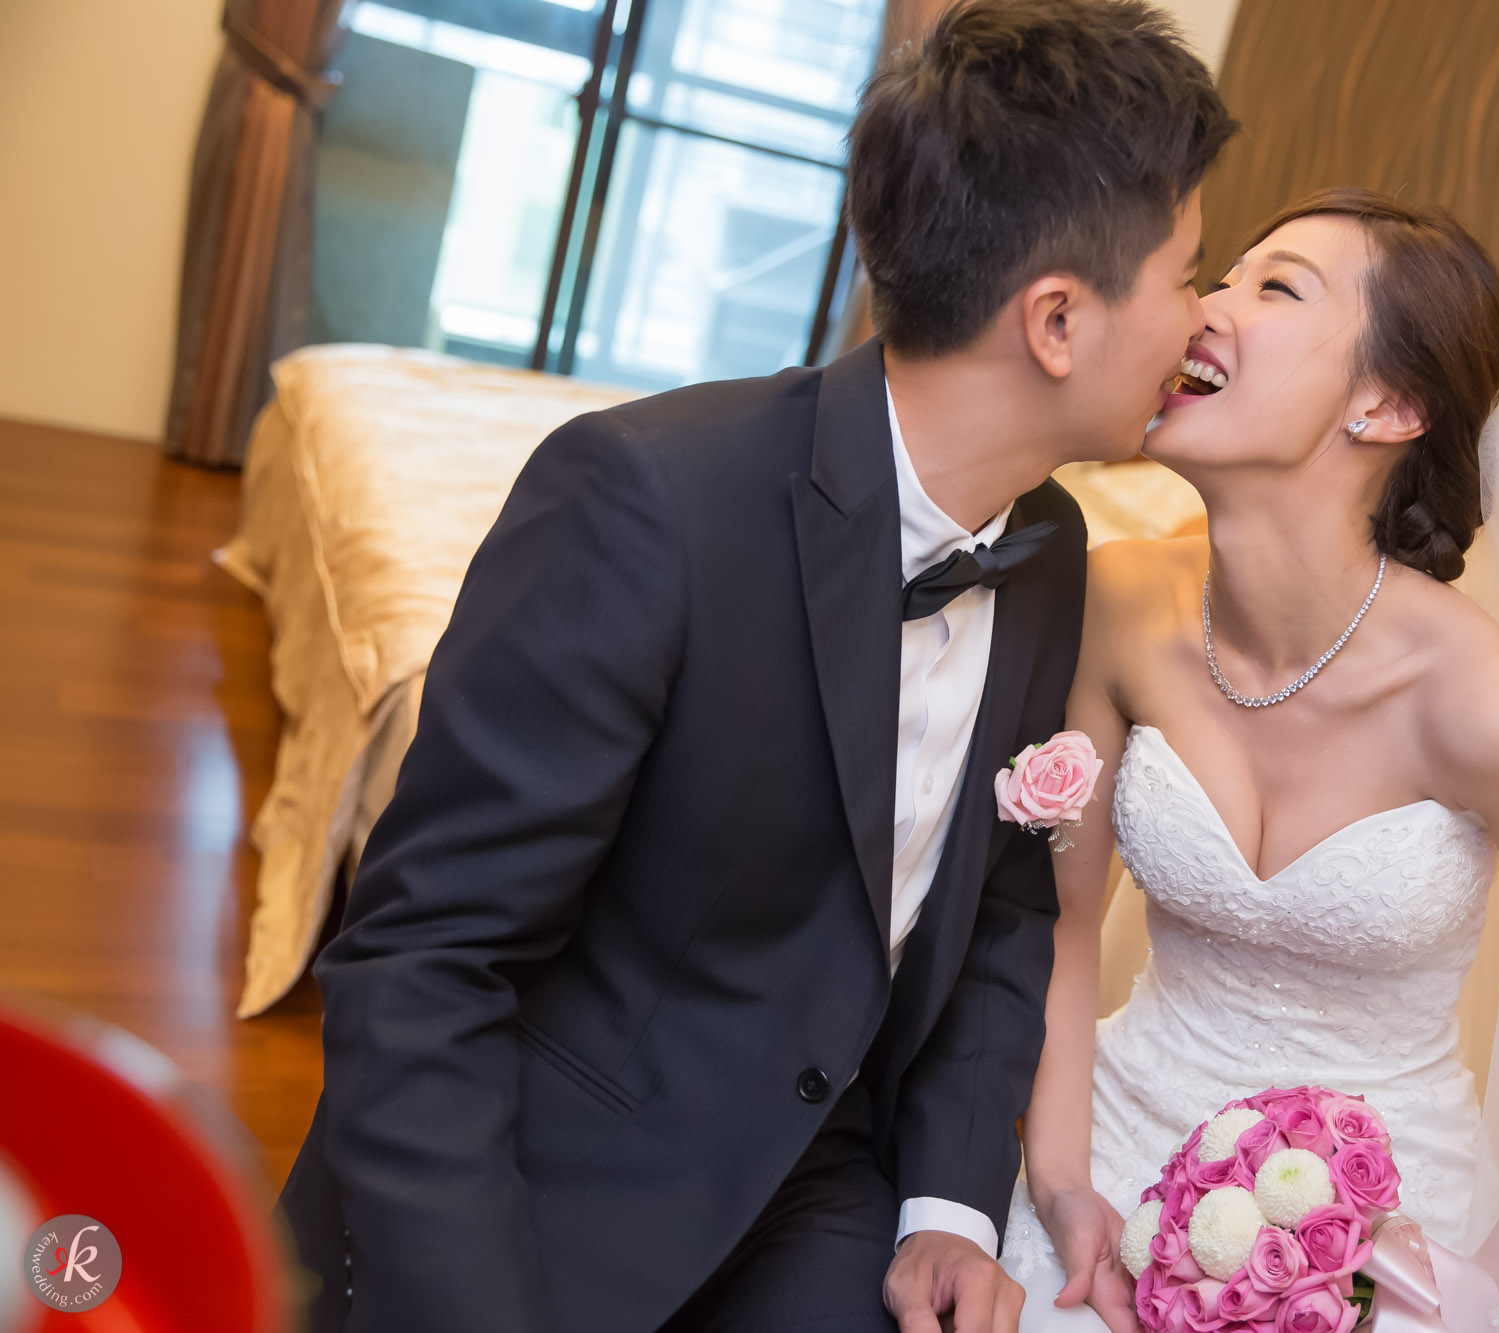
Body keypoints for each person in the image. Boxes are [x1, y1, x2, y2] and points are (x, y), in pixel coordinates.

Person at [274, 5, 1236, 1331]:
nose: (1205, 317)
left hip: (818, 1181)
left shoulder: (1050, 545)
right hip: (545, 1180)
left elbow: (1003, 906)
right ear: (1056, 320)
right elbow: (424, 963)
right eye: (1190, 273)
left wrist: (950, 1204)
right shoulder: (643, 504)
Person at [1002, 189, 1499, 1332]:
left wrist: (1497, 1281)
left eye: (1274, 287)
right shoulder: (1121, 604)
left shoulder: (1483, 706)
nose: (1205, 308)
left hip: (1379, 1231)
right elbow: (1062, 923)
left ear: (1386, 406)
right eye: (1221, 276)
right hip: (1109, 1153)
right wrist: (1060, 1180)